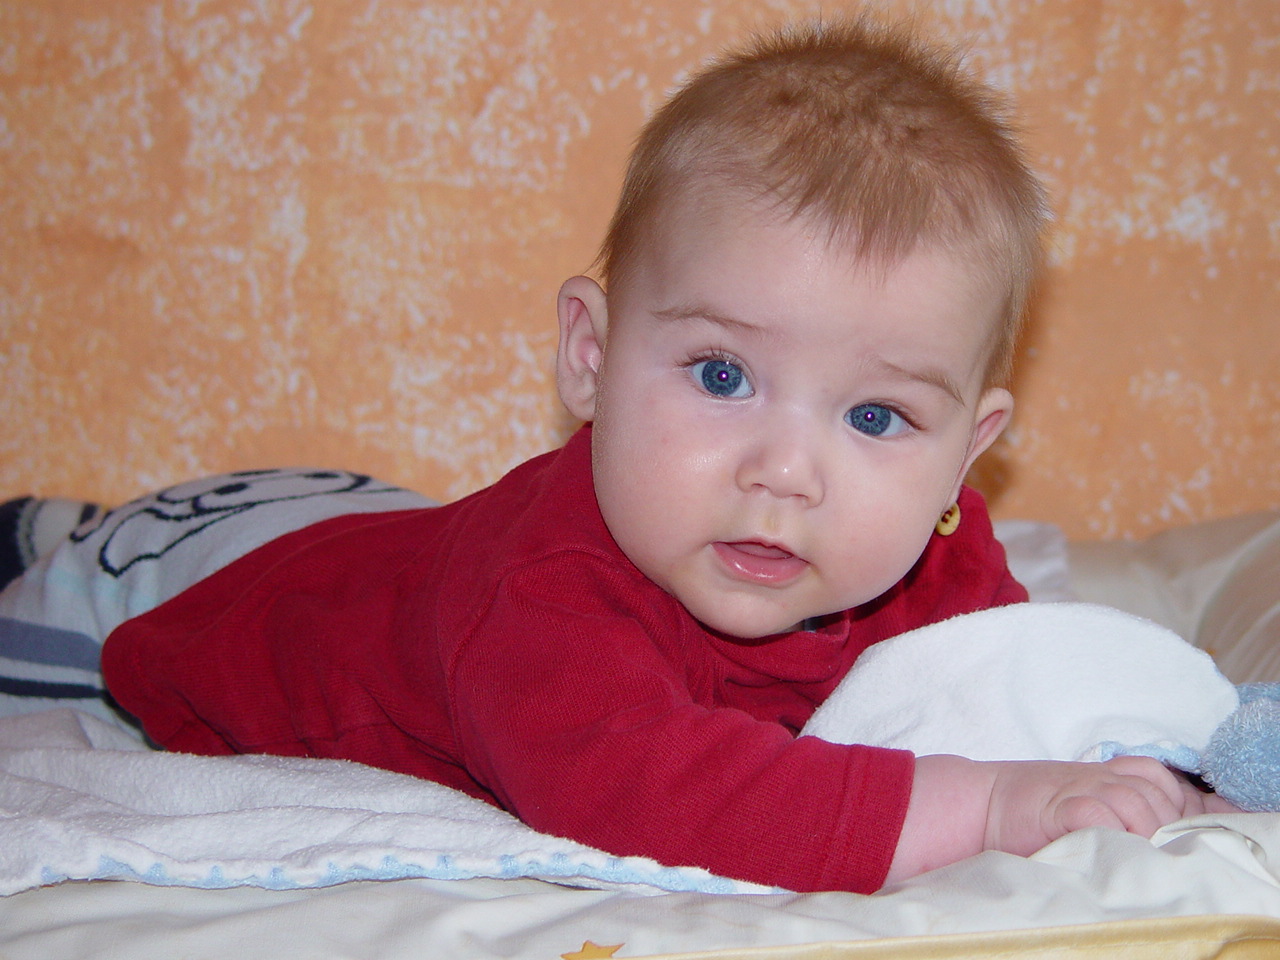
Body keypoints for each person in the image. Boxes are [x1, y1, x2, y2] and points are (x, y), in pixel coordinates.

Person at [4, 15, 1233, 894]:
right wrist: (992, 803)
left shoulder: (932, 550)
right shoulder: (540, 598)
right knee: (106, 579)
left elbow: (1022, 685)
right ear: (588, 358)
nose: (783, 472)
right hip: (233, 629)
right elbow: (658, 795)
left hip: (394, 542)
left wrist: (1151, 765)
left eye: (874, 419)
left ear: (966, 454)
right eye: (721, 376)